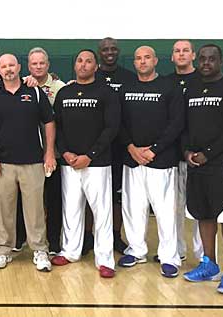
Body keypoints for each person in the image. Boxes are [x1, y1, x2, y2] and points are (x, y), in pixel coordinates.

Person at [182, 44, 223, 296]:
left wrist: (208, 154)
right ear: (197, 61)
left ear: (221, 61)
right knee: (204, 214)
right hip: (196, 163)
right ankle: (209, 264)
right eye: (203, 59)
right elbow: (184, 126)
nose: (207, 62)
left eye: (212, 59)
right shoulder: (191, 89)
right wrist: (187, 152)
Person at [0, 54, 55, 272]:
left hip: (33, 162)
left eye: (11, 65)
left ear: (19, 67)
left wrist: (49, 153)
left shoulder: (34, 91)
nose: (8, 69)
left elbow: (49, 123)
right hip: (3, 164)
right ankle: (3, 250)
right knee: (4, 210)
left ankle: (40, 251)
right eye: (3, 66)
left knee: (35, 210)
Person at [50, 49, 120, 278]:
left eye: (88, 61)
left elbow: (111, 127)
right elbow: (56, 127)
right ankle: (70, 251)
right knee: (71, 209)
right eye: (79, 60)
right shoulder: (65, 93)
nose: (83, 64)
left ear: (96, 66)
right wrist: (66, 152)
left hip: (97, 162)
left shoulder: (107, 93)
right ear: (75, 65)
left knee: (102, 212)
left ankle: (105, 259)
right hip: (69, 162)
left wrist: (90, 154)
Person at [117, 46, 183, 278]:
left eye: (147, 57)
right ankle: (136, 250)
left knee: (165, 211)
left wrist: (155, 149)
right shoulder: (127, 88)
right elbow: (118, 122)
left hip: (161, 160)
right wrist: (131, 147)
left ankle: (169, 257)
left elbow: (176, 123)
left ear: (155, 60)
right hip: (133, 159)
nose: (142, 61)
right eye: (138, 58)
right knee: (133, 208)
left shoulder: (170, 87)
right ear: (134, 63)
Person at [81, 37, 136, 256]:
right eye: (105, 49)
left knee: (116, 195)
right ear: (99, 54)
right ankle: (87, 235)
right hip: (94, 146)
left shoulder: (129, 78)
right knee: (89, 195)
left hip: (120, 146)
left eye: (113, 49)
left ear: (118, 51)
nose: (109, 52)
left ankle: (114, 235)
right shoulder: (91, 76)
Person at [155, 39, 203, 262]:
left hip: (199, 155)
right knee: (173, 207)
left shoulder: (203, 80)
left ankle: (204, 255)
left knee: (201, 207)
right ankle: (176, 250)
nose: (181, 54)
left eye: (186, 51)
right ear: (172, 57)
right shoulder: (165, 83)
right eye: (177, 51)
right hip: (172, 155)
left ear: (193, 55)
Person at [27, 47, 66, 255]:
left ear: (48, 64)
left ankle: (53, 241)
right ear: (28, 66)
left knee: (53, 199)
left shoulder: (60, 87)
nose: (38, 66)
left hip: (54, 153)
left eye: (42, 63)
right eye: (34, 63)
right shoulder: (22, 85)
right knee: (30, 200)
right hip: (29, 155)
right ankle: (26, 239)